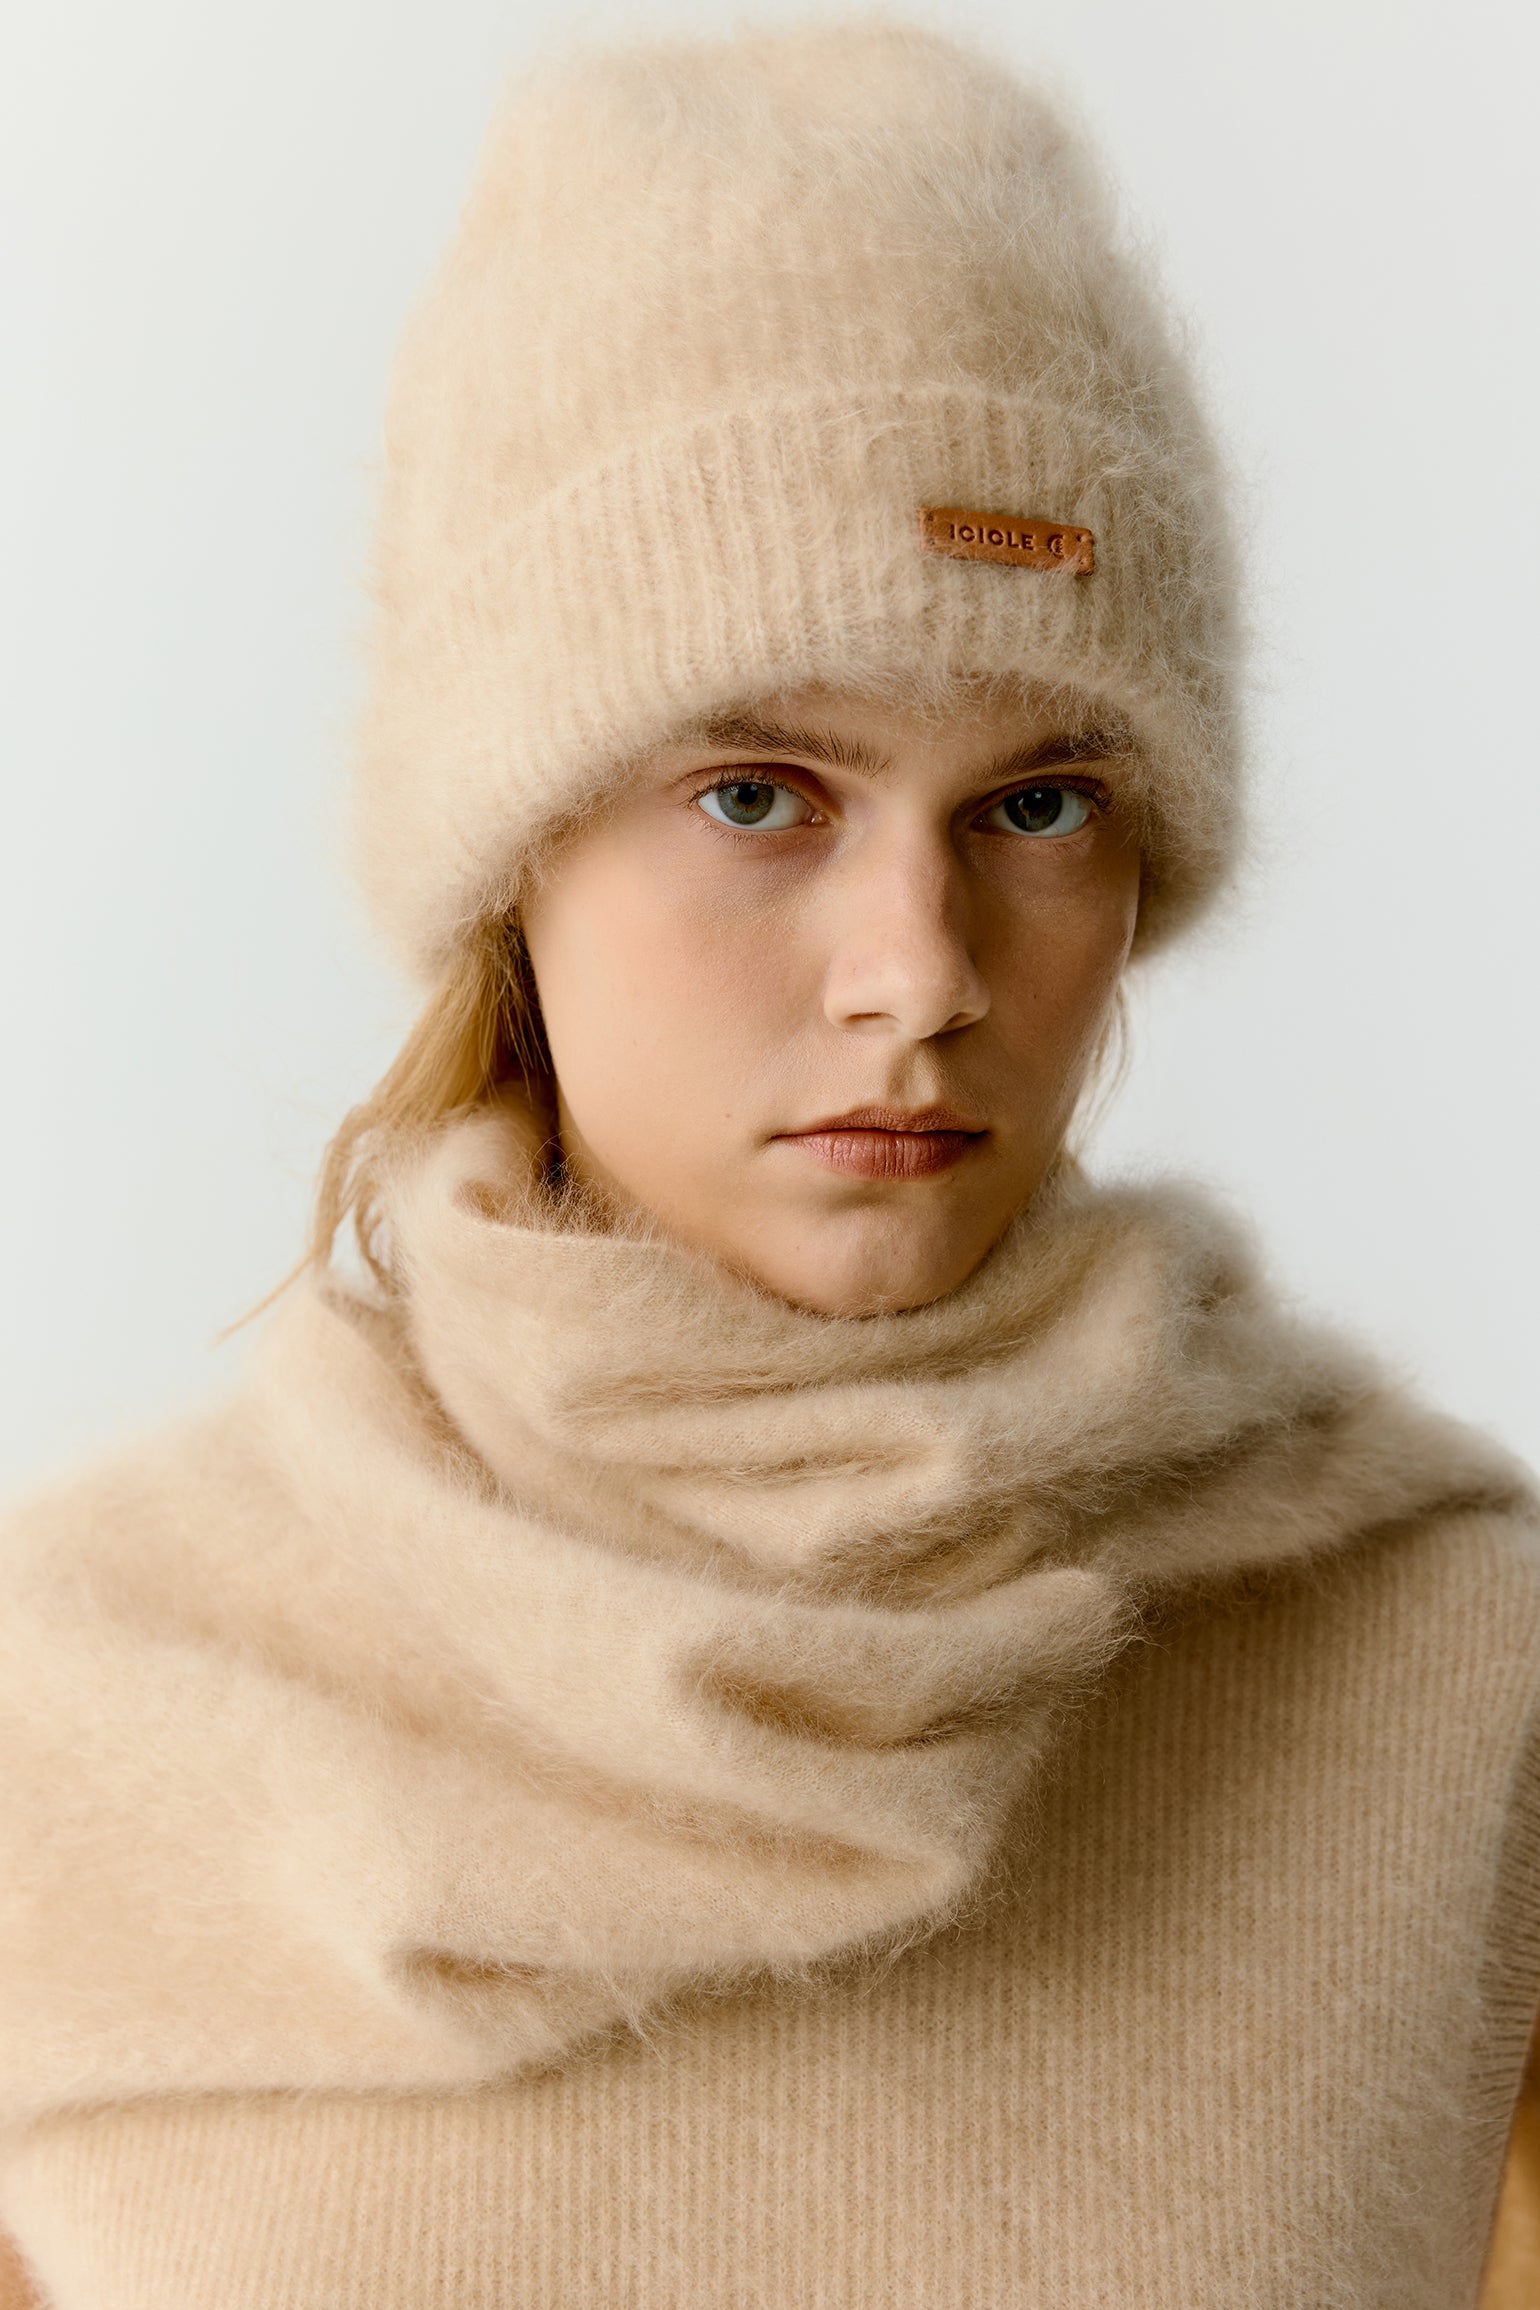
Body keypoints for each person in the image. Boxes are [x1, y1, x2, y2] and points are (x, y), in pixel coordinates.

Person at [1, 22, 1537, 2310]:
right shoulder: (68, 1710)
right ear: (506, 848)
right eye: (758, 793)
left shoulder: (1456, 1678)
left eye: (1036, 801)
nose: (914, 971)